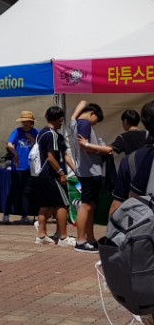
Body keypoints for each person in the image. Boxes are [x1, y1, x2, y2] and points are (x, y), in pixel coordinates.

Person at [70, 101, 111, 253]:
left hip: (84, 170)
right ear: (92, 114)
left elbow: (81, 105)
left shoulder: (74, 124)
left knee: (90, 206)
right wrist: (103, 150)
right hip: (90, 171)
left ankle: (90, 239)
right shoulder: (85, 124)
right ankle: (81, 241)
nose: (95, 123)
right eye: (96, 120)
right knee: (86, 205)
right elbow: (84, 145)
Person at [34, 106, 76, 246]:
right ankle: (63, 237)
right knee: (63, 204)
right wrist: (61, 173)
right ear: (58, 119)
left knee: (45, 204)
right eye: (61, 120)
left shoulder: (42, 133)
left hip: (42, 174)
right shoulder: (52, 135)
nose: (62, 123)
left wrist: (75, 170)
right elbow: (51, 157)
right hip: (52, 175)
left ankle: (41, 235)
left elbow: (64, 155)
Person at [4, 111, 39, 225]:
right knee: (14, 190)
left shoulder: (36, 132)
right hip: (18, 166)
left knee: (27, 192)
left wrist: (32, 139)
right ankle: (6, 214)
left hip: (31, 167)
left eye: (27, 121)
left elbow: (40, 146)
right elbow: (9, 144)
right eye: (23, 121)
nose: (25, 123)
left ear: (31, 122)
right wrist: (15, 153)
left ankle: (24, 215)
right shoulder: (17, 132)